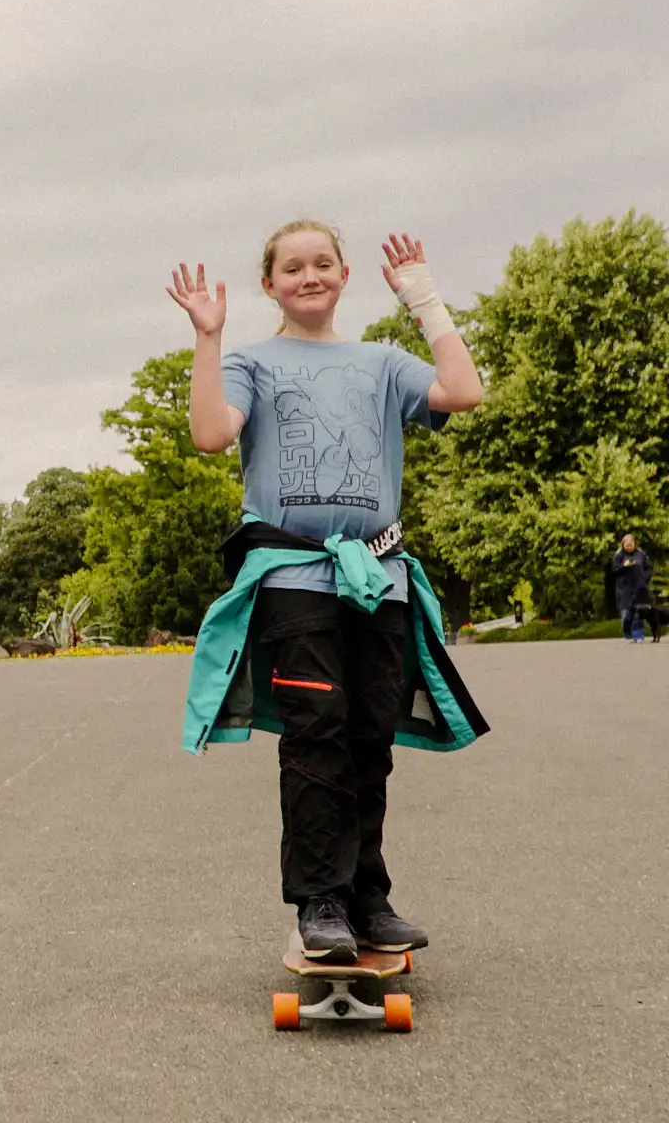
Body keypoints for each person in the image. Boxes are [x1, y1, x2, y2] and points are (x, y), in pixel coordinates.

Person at [171, 223, 490, 964]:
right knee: (317, 731)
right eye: (292, 267)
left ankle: (367, 899)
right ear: (270, 283)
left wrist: (425, 302)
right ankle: (319, 899)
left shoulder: (381, 362)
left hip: (378, 575)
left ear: (346, 275)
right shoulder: (252, 359)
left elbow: (464, 392)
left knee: (372, 736)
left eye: (322, 264)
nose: (308, 275)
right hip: (292, 574)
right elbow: (212, 434)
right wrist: (208, 339)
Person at [612, 534, 654, 643]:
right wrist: (623, 566)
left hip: (639, 588)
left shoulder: (641, 554)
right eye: (627, 544)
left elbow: (648, 568)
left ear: (635, 544)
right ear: (623, 544)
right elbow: (615, 571)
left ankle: (638, 635)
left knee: (638, 612)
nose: (629, 546)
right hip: (625, 589)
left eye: (631, 544)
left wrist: (644, 579)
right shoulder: (618, 555)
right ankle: (628, 633)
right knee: (626, 615)